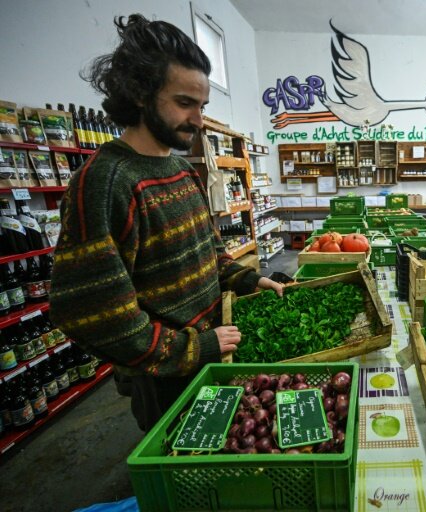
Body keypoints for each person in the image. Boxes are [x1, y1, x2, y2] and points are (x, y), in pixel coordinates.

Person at [49, 14, 284, 431]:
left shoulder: (181, 170)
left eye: (202, 106)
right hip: (165, 380)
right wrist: (192, 350)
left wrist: (246, 280)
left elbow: (208, 253)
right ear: (140, 94)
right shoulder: (104, 183)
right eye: (184, 103)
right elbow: (93, 313)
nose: (198, 119)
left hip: (214, 353)